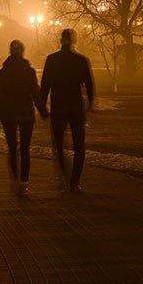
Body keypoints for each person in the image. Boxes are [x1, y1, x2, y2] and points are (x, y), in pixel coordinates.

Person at [40, 28, 95, 192]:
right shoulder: (81, 60)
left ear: (60, 40)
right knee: (79, 145)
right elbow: (89, 84)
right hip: (76, 106)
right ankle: (75, 182)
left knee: (58, 145)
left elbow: (45, 85)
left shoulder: (52, 60)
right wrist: (90, 103)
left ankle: (64, 176)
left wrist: (42, 106)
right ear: (74, 41)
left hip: (59, 106)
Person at [0, 39, 48, 195]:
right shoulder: (28, 71)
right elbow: (35, 94)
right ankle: (24, 182)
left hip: (8, 114)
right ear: (23, 52)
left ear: (10, 52)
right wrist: (43, 112)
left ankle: (15, 178)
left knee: (12, 148)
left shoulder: (3, 72)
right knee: (25, 148)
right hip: (25, 114)